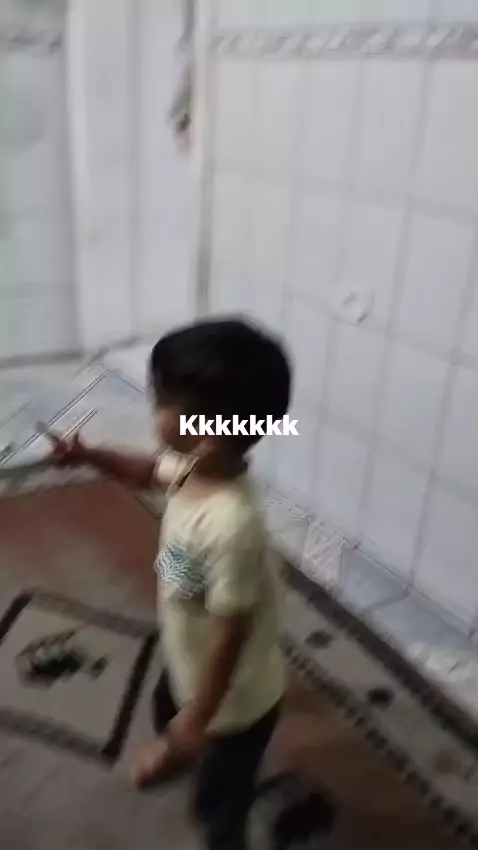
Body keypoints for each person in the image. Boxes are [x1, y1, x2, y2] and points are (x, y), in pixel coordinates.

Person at [44, 317, 292, 850]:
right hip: (188, 645)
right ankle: (181, 739)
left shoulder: (231, 526)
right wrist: (90, 456)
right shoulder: (194, 465)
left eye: (160, 400)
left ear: (205, 433)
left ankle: (222, 828)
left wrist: (197, 721)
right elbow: (145, 471)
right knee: (167, 704)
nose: (151, 405)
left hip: (235, 701)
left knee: (220, 797)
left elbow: (231, 634)